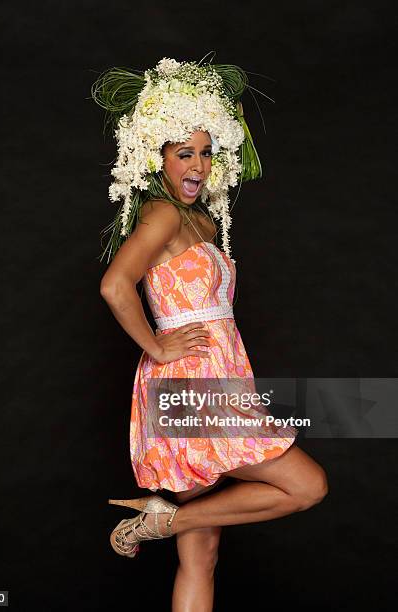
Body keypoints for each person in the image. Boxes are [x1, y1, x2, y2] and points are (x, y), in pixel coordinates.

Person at [92, 56, 328, 611]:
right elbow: (114, 286)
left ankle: (163, 521)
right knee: (307, 486)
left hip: (218, 381)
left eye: (205, 151)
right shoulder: (163, 215)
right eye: (184, 154)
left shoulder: (202, 220)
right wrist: (155, 346)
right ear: (159, 158)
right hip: (188, 384)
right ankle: (163, 522)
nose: (197, 165)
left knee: (202, 557)